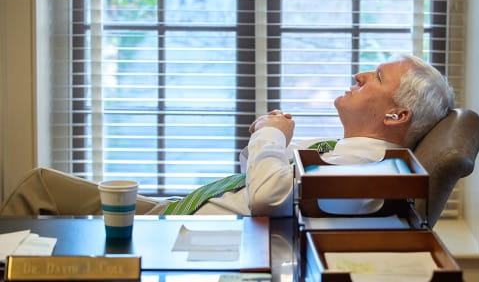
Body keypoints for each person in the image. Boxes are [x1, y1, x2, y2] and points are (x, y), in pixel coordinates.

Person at [0, 54, 454, 219]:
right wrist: (265, 137)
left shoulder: (369, 168)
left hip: (180, 229)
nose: (358, 73)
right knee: (41, 184)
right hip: (179, 210)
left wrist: (271, 139)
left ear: (396, 114)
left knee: (39, 189)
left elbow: (268, 195)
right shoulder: (337, 151)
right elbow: (256, 175)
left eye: (375, 76)